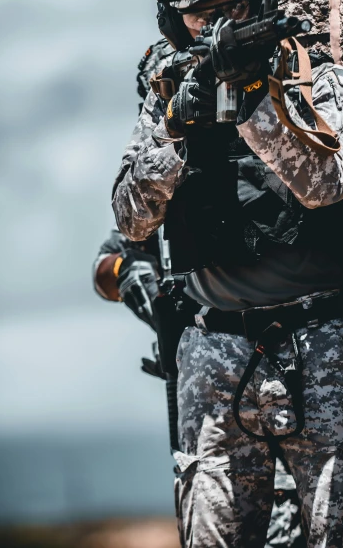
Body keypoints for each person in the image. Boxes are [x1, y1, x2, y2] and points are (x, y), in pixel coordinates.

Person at [112, 0, 343, 547]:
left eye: (232, 9)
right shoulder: (166, 99)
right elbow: (131, 218)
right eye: (199, 17)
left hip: (320, 340)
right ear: (173, 22)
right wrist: (177, 129)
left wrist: (254, 101)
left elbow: (326, 185)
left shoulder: (316, 81)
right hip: (213, 351)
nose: (215, 29)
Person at [94, 36, 306, 548]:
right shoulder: (163, 178)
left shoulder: (251, 158)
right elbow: (105, 265)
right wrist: (133, 277)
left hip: (280, 366)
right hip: (200, 375)